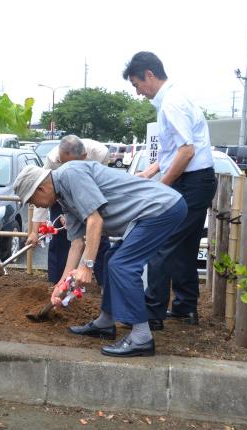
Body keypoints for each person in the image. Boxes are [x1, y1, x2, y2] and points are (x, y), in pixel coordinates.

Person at [13, 163, 186, 357]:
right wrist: (63, 285)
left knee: (123, 265)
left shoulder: (71, 174)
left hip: (161, 208)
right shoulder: (64, 198)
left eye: (33, 200)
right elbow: (77, 244)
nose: (36, 206)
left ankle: (142, 337)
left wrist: (87, 267)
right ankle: (106, 323)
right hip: (153, 212)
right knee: (111, 257)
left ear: (41, 188)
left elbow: (95, 221)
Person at [123, 52, 216, 329]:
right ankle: (185, 308)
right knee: (184, 248)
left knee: (161, 244)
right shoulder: (174, 99)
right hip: (197, 182)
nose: (138, 92)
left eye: (137, 85)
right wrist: (150, 172)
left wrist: (161, 188)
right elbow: (174, 150)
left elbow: (187, 151)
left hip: (192, 183)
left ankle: (152, 314)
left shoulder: (171, 103)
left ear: (149, 75)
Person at [26, 135, 110, 286]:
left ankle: (103, 281)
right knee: (60, 237)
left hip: (92, 195)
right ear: (60, 157)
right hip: (59, 195)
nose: (69, 169)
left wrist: (84, 213)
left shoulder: (100, 153)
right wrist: (34, 231)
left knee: (99, 236)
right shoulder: (52, 160)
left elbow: (99, 191)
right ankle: (58, 281)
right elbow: (41, 196)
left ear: (84, 157)